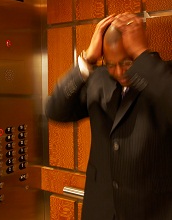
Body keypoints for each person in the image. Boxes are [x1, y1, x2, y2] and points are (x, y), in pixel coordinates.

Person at [45, 13, 172, 220]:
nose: (120, 72)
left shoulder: (162, 77)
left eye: (128, 62)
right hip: (101, 209)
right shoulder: (98, 79)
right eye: (111, 64)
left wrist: (142, 56)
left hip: (150, 210)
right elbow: (55, 110)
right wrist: (87, 61)